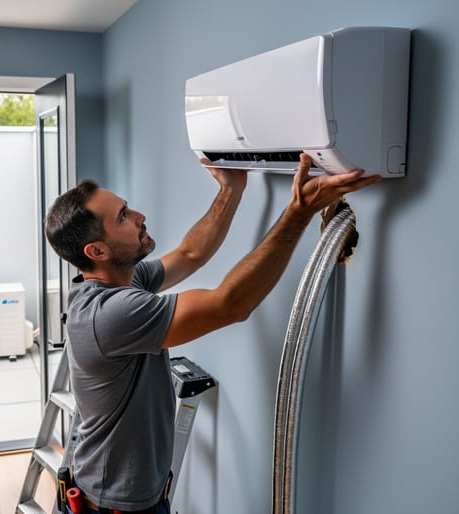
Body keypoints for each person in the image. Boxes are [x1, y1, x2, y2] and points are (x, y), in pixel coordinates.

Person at [44, 154, 380, 514]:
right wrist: (298, 212)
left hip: (129, 498)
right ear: (97, 251)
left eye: (127, 207)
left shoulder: (122, 279)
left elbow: (191, 253)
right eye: (123, 217)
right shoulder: (109, 315)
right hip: (115, 507)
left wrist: (230, 189)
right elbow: (230, 305)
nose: (140, 217)